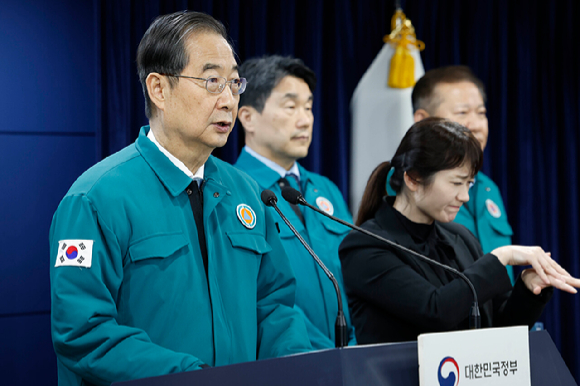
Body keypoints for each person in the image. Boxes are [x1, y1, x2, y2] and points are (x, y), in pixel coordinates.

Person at [50, 12, 312, 386]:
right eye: (211, 81)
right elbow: (82, 331)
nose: (228, 100)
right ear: (159, 89)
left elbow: (273, 304)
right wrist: (190, 377)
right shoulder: (95, 198)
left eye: (234, 82)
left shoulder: (249, 193)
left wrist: (294, 368)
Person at [340, 118, 580, 344]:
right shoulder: (365, 246)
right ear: (412, 179)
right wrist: (501, 257)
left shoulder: (460, 238)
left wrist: (528, 291)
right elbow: (436, 311)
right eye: (456, 183)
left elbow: (499, 329)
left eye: (469, 184)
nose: (464, 197)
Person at [234, 55, 356, 349]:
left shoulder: (325, 189)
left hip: (353, 358)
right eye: (290, 107)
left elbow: (356, 277)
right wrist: (324, 356)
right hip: (292, 362)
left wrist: (355, 346)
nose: (305, 120)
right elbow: (258, 297)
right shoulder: (234, 191)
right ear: (247, 117)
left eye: (309, 107)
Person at [410, 65, 516, 283]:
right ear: (422, 120)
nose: (476, 125)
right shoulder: (409, 187)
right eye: (462, 113)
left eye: (481, 113)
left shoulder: (488, 188)